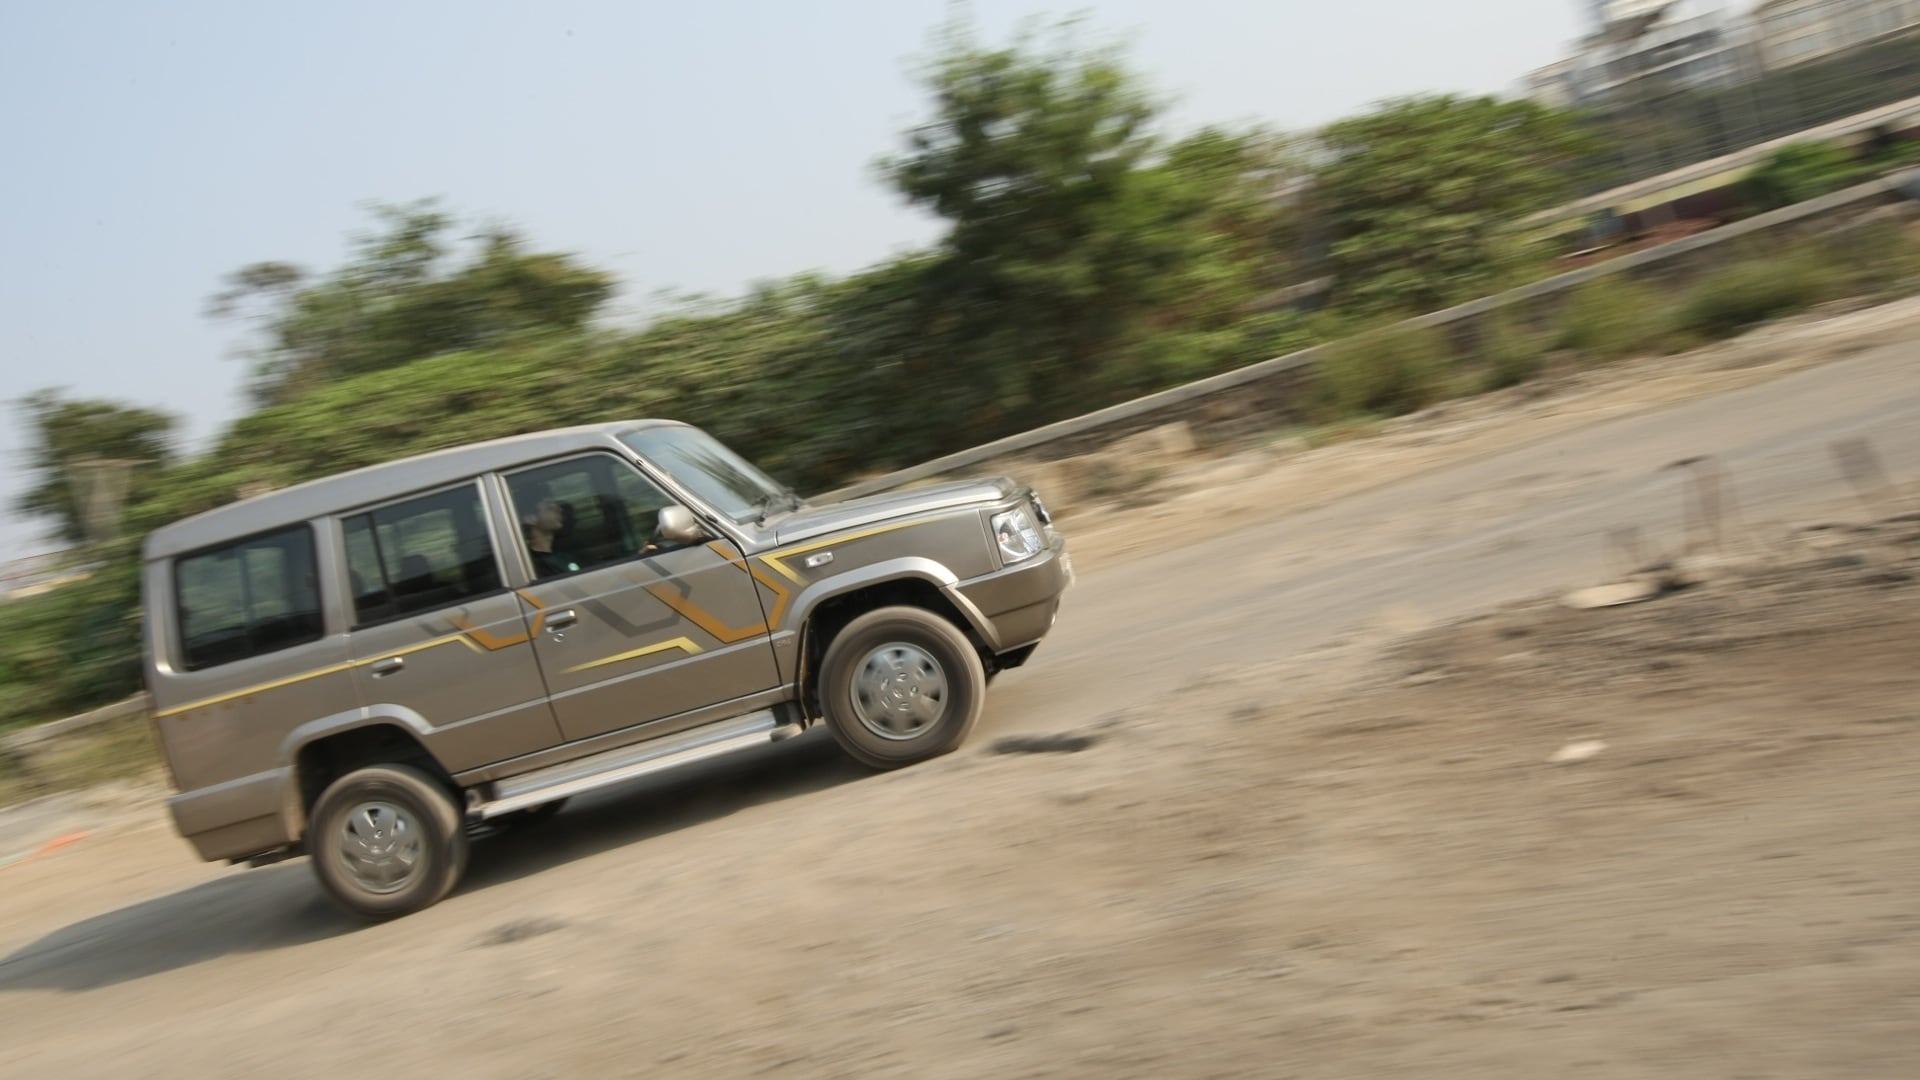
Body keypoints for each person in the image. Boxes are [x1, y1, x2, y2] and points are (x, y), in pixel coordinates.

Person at [522, 497, 584, 578]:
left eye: (557, 507)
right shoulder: (531, 566)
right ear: (530, 519)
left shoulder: (563, 553)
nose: (559, 510)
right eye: (550, 508)